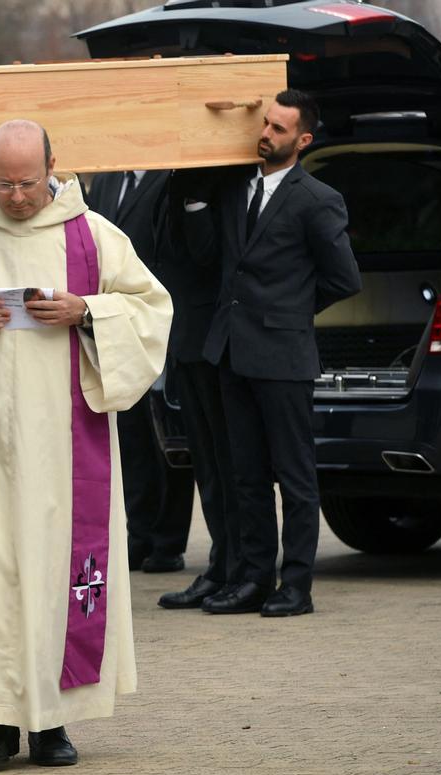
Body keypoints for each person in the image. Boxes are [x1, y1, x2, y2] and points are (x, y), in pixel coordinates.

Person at [0, 119, 172, 767]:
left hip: (67, 452)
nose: (15, 196)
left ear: (53, 164)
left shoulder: (94, 236)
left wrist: (88, 312)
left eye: (27, 181)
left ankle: (52, 724)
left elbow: (153, 308)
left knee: (53, 580)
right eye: (3, 182)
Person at [182, 89, 361, 617]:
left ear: (303, 140)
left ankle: (297, 586)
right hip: (232, 353)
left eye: (279, 129)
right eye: (266, 124)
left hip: (283, 358)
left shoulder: (317, 198)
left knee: (296, 476)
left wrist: (289, 312)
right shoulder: (239, 187)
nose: (266, 134)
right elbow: (218, 259)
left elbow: (344, 279)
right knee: (246, 475)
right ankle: (253, 580)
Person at [88, 169, 195, 573]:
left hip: (156, 317)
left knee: (166, 436)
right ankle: (141, 534)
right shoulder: (107, 179)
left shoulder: (169, 176)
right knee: (130, 435)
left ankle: (169, 542)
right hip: (113, 322)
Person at [155, 167, 241, 610]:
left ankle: (237, 567)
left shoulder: (220, 182)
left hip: (216, 343)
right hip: (185, 338)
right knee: (206, 464)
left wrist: (194, 201)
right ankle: (220, 566)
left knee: (230, 465)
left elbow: (209, 255)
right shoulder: (171, 181)